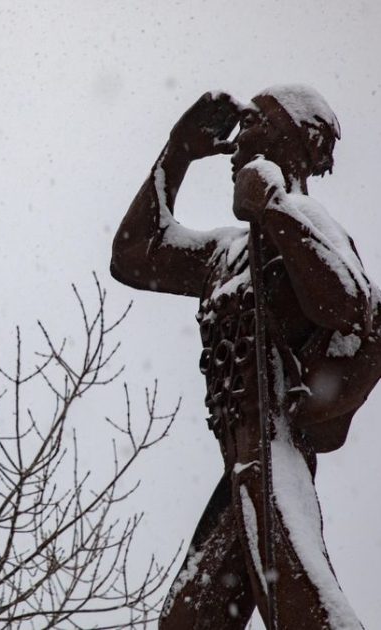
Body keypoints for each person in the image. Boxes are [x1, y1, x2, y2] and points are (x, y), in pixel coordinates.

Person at [111, 85, 380, 629]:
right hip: (237, 466)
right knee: (188, 621)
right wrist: (177, 153)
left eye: (253, 126)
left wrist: (276, 208)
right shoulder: (226, 254)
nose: (237, 144)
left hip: (277, 451)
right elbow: (135, 257)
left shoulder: (311, 224)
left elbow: (350, 306)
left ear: (295, 140)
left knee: (306, 609)